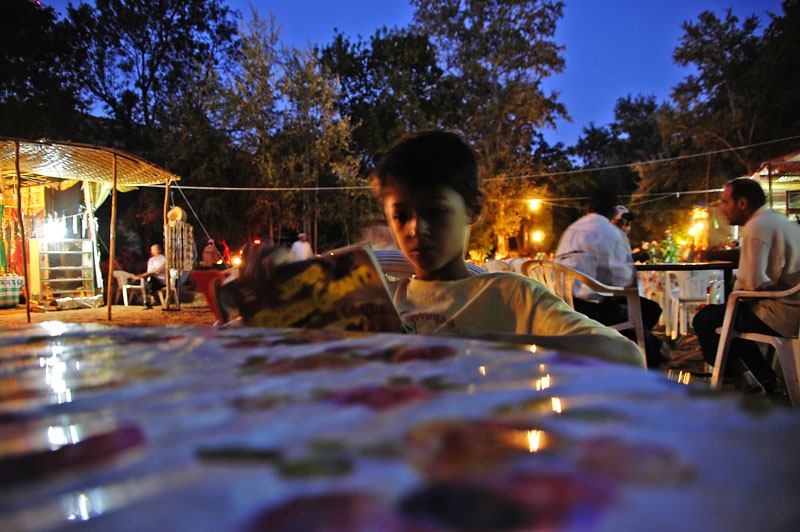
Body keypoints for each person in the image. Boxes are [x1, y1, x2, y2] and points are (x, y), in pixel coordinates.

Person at [372, 130, 644, 367]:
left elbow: (627, 354)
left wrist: (500, 345)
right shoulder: (384, 304)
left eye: (435, 211)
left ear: (474, 210)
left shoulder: (511, 297)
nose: (416, 229)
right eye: (401, 216)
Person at [693, 178, 800, 395]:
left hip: (780, 312)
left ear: (742, 203)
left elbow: (753, 285)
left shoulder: (757, 227)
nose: (723, 209)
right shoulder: (776, 220)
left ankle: (742, 378)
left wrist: (735, 288)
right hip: (791, 304)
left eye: (725, 202)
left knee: (706, 319)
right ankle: (767, 380)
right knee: (729, 318)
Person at [554, 189, 668, 368]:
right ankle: (650, 355)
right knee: (638, 311)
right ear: (610, 214)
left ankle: (639, 352)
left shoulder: (571, 230)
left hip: (563, 306)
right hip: (590, 311)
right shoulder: (609, 232)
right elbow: (625, 281)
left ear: (587, 208)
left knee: (645, 309)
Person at [136, 244, 166, 309]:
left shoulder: (163, 259)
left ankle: (152, 298)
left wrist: (144, 274)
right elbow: (149, 271)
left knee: (149, 279)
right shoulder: (151, 260)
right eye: (151, 250)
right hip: (151, 278)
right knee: (146, 280)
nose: (152, 251)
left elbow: (157, 270)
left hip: (160, 280)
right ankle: (148, 300)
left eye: (153, 249)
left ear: (159, 250)